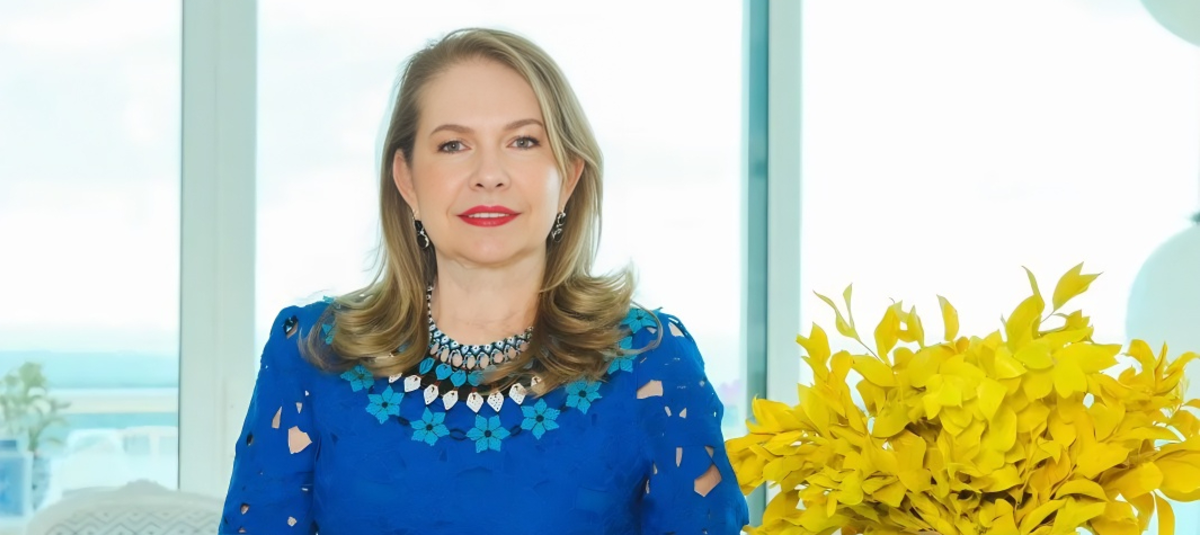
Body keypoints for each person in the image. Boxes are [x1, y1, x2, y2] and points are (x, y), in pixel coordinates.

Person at [220, 27, 750, 534]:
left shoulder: (649, 361)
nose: (489, 175)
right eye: (454, 145)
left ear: (568, 177)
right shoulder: (312, 353)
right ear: (406, 178)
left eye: (523, 141)